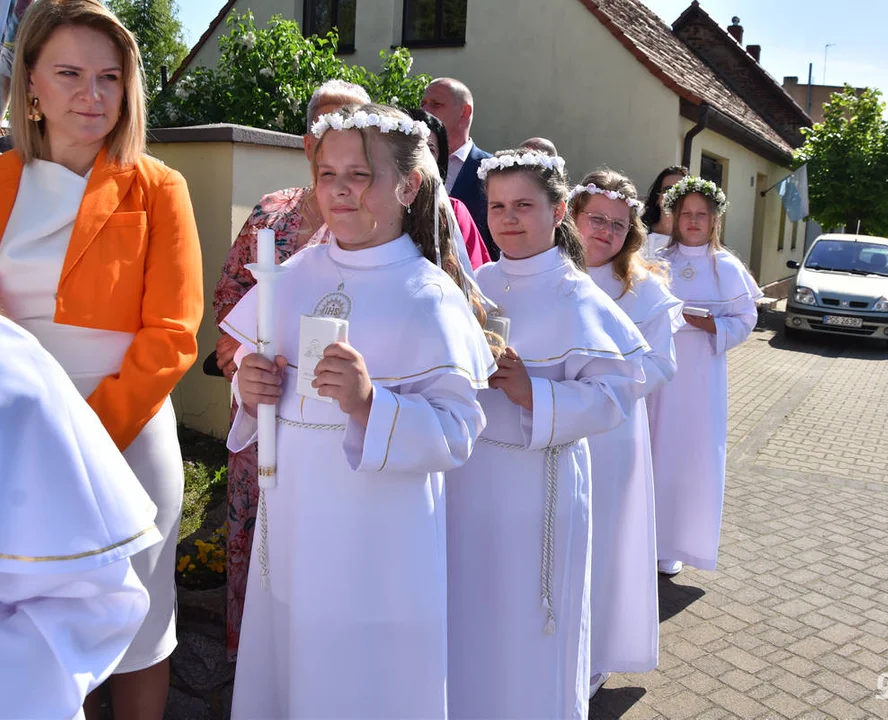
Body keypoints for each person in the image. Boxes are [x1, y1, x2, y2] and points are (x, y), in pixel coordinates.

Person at [223, 103, 494, 720]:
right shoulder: (293, 273)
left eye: (361, 175)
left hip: (378, 542)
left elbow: (457, 433)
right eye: (327, 174)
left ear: (409, 184)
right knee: (294, 662)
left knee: (360, 680)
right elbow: (249, 380)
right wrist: (249, 384)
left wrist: (373, 404)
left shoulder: (429, 295)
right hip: (294, 525)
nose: (340, 190)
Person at [0, 2, 203, 717]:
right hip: (17, 441)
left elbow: (174, 332)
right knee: (37, 628)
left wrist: (88, 437)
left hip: (126, 432)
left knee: (141, 629)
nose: (92, 94)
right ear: (31, 85)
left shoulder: (157, 186)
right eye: (70, 73)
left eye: (109, 77)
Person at [446, 150, 648, 719]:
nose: (508, 219)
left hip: (540, 484)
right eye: (498, 207)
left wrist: (534, 392)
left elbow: (618, 393)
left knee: (527, 622)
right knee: (471, 610)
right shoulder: (475, 284)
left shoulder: (577, 294)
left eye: (524, 206)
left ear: (558, 210)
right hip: (470, 478)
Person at [212, 77, 369, 662]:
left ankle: (314, 667)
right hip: (259, 405)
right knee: (252, 533)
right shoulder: (271, 212)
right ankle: (249, 663)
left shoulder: (372, 222)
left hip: (331, 415)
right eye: (324, 126)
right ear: (307, 142)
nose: (334, 138)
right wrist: (237, 358)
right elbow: (229, 296)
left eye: (349, 127)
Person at [0, 315, 160, 720]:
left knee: (146, 643)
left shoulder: (13, 369)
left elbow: (170, 335)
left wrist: (89, 435)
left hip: (110, 416)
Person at [568, 170, 683, 696]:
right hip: (543, 430)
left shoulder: (645, 291)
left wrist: (604, 382)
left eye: (619, 224)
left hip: (612, 434)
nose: (606, 232)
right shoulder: (545, 272)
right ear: (570, 215)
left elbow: (661, 366)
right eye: (596, 219)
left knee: (603, 541)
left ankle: (594, 652)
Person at [647, 176, 761, 576]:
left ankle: (677, 543)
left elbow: (746, 319)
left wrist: (709, 324)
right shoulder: (659, 259)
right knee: (654, 448)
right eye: (686, 214)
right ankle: (645, 536)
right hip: (660, 374)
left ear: (714, 220)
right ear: (674, 217)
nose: (693, 221)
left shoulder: (725, 266)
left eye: (701, 215)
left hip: (701, 378)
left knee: (690, 455)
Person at [405, 107, 490, 270]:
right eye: (409, 149)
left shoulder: (452, 211)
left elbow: (472, 277)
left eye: (430, 150)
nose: (418, 158)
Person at [421, 77, 496, 258]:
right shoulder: (410, 165)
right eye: (423, 103)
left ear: (464, 113)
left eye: (436, 104)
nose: (425, 110)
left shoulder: (492, 170)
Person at [641, 165, 688, 259]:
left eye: (681, 189)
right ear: (657, 197)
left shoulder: (693, 242)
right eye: (668, 189)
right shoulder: (639, 233)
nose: (674, 195)